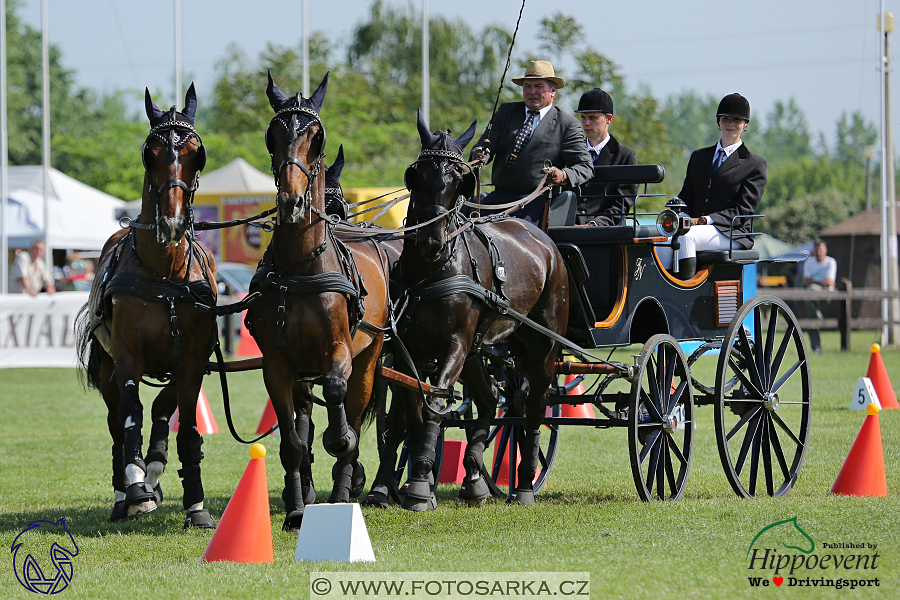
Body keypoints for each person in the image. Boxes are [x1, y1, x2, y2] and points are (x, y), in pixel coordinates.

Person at [657, 93, 767, 279]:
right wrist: (675, 212)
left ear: (745, 124)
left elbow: (744, 210)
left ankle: (686, 292)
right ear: (718, 121)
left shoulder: (754, 163)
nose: (730, 124)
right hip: (696, 228)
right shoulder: (699, 157)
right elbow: (687, 197)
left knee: (686, 237)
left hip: (731, 232)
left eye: (736, 120)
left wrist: (704, 220)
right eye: (725, 119)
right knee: (659, 239)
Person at [470, 60, 593, 225]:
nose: (532, 91)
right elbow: (484, 147)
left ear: (553, 90)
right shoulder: (506, 113)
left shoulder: (567, 124)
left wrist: (562, 175)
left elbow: (585, 167)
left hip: (537, 204)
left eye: (539, 86)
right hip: (497, 199)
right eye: (527, 86)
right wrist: (479, 154)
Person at [574, 88, 638, 225]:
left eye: (592, 118)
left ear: (608, 119)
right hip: (568, 229)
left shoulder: (625, 156)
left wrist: (594, 225)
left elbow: (622, 204)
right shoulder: (572, 152)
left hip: (607, 234)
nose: (586, 123)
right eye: (583, 117)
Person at [802, 239, 837, 354]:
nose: (819, 252)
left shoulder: (831, 262)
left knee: (812, 290)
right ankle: (816, 347)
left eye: (820, 249)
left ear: (825, 250)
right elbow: (806, 282)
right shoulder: (808, 263)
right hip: (812, 296)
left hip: (826, 295)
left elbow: (829, 282)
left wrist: (814, 282)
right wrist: (821, 282)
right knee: (812, 319)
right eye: (817, 250)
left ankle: (817, 316)